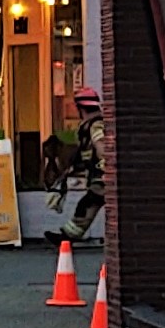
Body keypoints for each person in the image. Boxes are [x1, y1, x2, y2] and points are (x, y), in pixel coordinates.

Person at [45, 87, 105, 245]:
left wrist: (106, 166)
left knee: (88, 204)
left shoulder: (95, 125)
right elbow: (84, 153)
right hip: (97, 175)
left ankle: (68, 237)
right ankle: (68, 236)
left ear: (81, 108)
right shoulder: (88, 125)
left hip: (102, 176)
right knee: (91, 204)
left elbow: (101, 146)